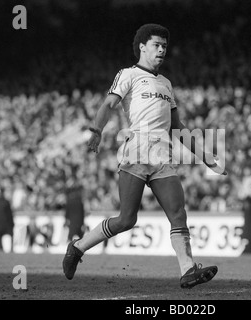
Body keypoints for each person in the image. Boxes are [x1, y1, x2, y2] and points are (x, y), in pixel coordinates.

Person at [62, 24, 226, 289]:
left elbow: (177, 127)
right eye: (156, 45)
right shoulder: (128, 75)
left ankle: (187, 270)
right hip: (136, 151)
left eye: (164, 46)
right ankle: (78, 248)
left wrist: (204, 156)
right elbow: (108, 104)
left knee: (178, 213)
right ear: (142, 47)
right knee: (127, 219)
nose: (161, 50)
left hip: (163, 156)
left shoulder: (166, 84)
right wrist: (96, 130)